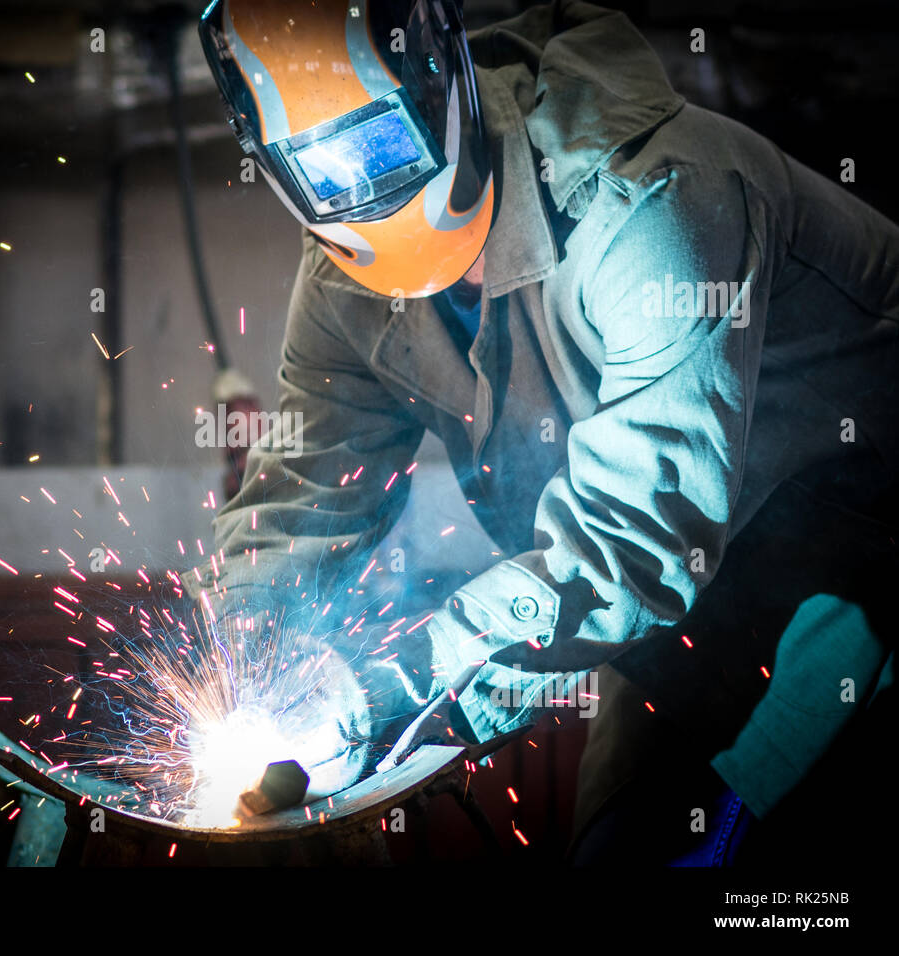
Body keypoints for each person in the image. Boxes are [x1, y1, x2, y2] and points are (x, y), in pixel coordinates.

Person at [187, 0, 898, 864]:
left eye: (377, 143)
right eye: (321, 170)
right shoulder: (342, 285)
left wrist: (386, 689)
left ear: (435, 86)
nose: (360, 184)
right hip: (679, 613)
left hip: (859, 563)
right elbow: (300, 496)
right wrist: (251, 660)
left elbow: (633, 540)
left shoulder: (656, 199)